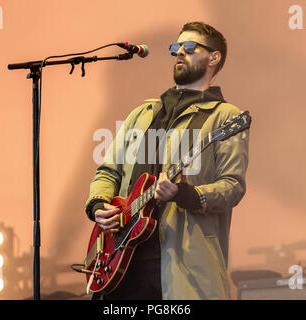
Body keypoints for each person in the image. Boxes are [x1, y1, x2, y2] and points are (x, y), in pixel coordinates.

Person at [84, 21, 249, 300]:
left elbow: (233, 186)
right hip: (121, 266)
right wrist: (98, 205)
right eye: (176, 47)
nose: (179, 53)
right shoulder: (143, 113)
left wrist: (185, 194)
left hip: (181, 273)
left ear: (214, 57)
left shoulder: (226, 117)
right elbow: (109, 171)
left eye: (189, 47)